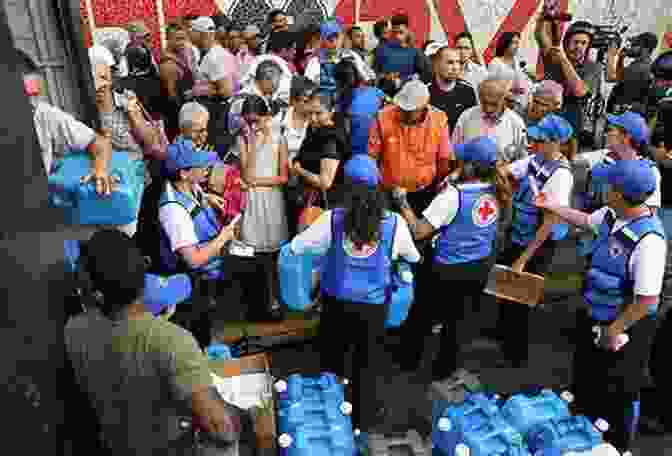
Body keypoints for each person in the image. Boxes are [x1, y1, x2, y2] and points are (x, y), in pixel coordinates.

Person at [65, 229, 240, 455]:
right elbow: (221, 428)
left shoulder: (74, 330)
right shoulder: (172, 341)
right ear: (144, 270)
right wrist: (243, 418)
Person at [535, 160, 666, 455]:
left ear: (620, 193)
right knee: (586, 381)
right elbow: (584, 220)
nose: (603, 188)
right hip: (594, 315)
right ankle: (579, 438)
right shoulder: (609, 215)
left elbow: (647, 301)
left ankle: (615, 447)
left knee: (617, 393)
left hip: (624, 328)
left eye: (610, 185)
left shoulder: (649, 241)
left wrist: (613, 331)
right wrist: (554, 207)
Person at [289, 155, 420, 436]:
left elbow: (299, 247)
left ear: (345, 187)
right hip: (373, 308)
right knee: (367, 363)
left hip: (336, 304)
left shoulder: (332, 219)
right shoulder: (394, 223)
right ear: (377, 186)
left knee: (332, 360)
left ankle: (330, 414)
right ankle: (361, 420)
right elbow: (413, 255)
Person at [395, 137, 511, 380]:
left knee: (422, 314)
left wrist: (403, 203)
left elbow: (420, 231)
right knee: (459, 321)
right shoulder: (499, 191)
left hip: (447, 268)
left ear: (468, 165)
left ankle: (408, 360)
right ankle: (444, 370)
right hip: (479, 265)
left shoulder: (453, 196)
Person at [494, 114, 575, 367]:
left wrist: (523, 259)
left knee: (522, 298)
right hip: (519, 232)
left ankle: (515, 354)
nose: (533, 143)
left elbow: (549, 223)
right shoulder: (535, 159)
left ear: (555, 143)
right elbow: (505, 171)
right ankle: (502, 332)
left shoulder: (561, 176)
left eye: (539, 140)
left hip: (538, 244)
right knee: (506, 287)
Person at [238, 95, 289, 312]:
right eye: (248, 121)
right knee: (253, 253)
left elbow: (283, 177)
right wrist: (253, 144)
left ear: (266, 117)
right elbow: (246, 173)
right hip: (252, 200)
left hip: (272, 199)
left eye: (256, 120)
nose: (252, 125)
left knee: (274, 253)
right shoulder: (242, 139)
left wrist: (256, 182)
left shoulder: (279, 138)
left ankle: (275, 299)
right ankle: (255, 301)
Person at [425, 45, 478, 131]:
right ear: (436, 64)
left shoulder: (467, 90)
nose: (455, 67)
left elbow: (472, 123)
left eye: (458, 62)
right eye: (450, 62)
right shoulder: (425, 91)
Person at [606, 32, 659, 115]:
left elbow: (610, 77)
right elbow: (621, 76)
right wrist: (620, 58)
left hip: (622, 118)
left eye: (634, 45)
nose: (630, 48)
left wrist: (611, 54)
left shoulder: (641, 68)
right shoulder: (641, 65)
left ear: (645, 49)